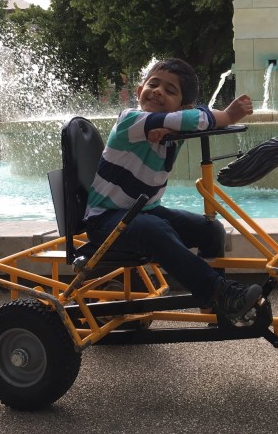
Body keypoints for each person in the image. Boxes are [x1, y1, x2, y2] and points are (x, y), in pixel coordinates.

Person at [84, 58, 261, 320]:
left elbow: (193, 117)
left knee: (210, 230)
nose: (157, 91)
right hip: (105, 220)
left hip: (142, 213)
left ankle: (214, 307)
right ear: (138, 90)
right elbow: (197, 118)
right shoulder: (130, 120)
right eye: (153, 85)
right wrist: (228, 116)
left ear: (182, 107)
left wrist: (169, 125)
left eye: (170, 91)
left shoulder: (170, 127)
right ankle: (219, 292)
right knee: (152, 228)